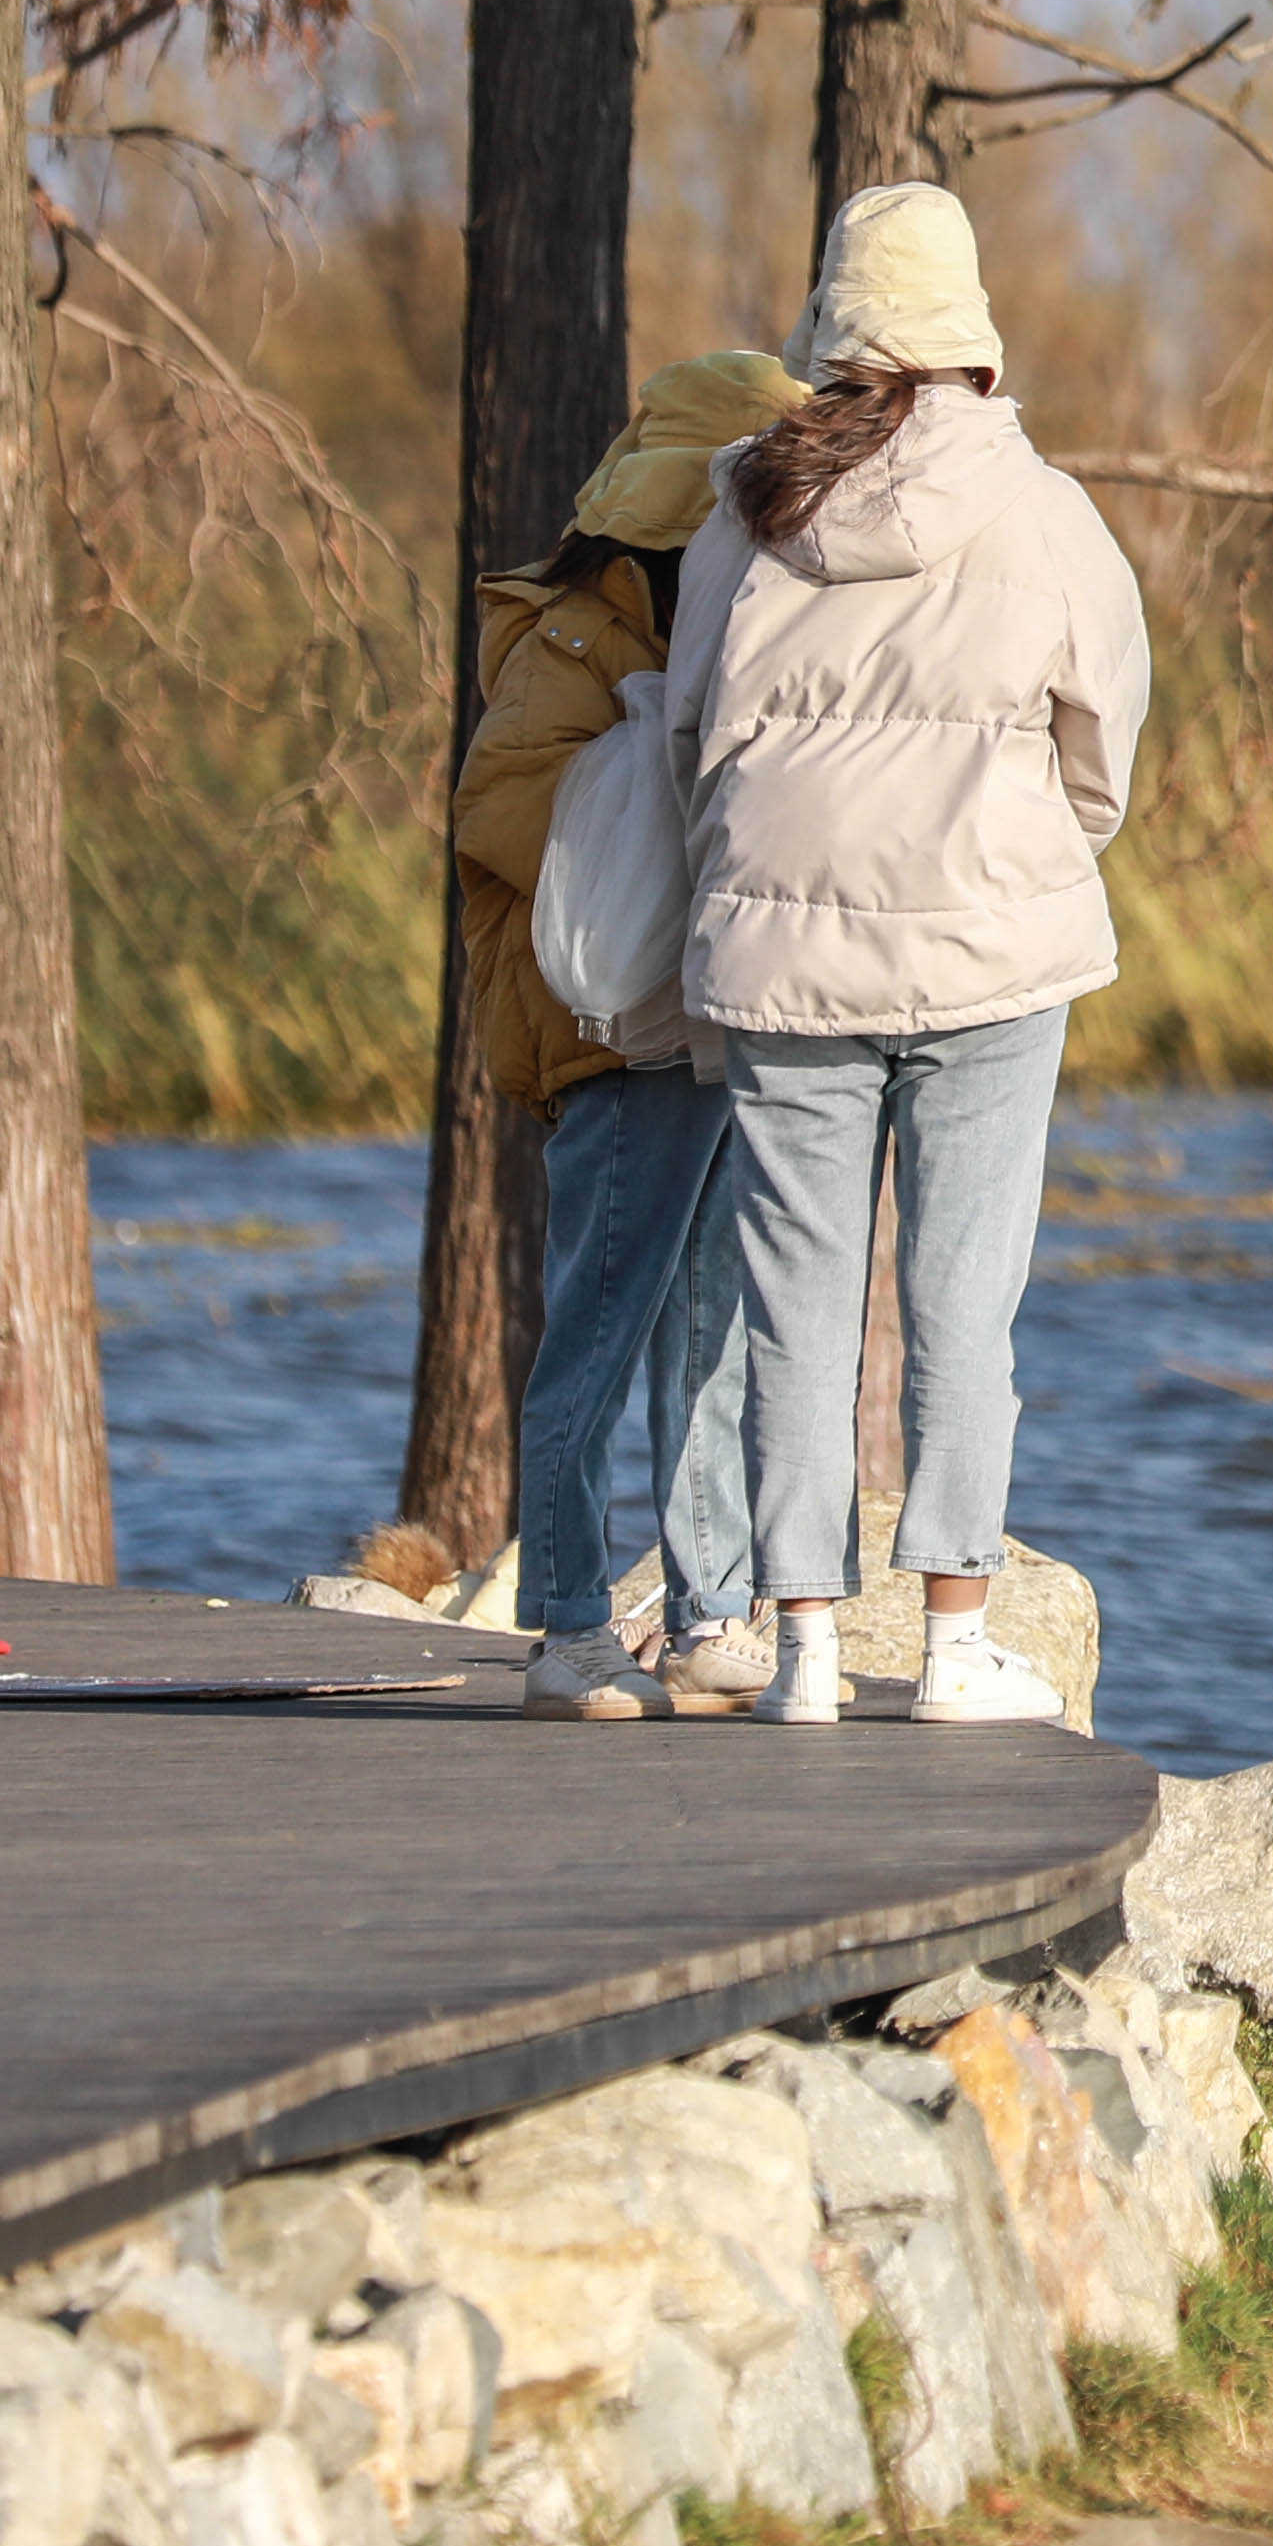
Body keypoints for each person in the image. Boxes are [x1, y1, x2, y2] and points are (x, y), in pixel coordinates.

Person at [668, 182, 1154, 1729]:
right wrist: (1036, 851)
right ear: (973, 339)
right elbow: (1105, 749)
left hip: (783, 952)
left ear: (835, 328)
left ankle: (803, 1645)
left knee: (793, 1302)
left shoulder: (744, 503)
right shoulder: (1047, 509)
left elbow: (690, 731)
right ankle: (952, 1643)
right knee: (963, 1300)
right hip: (990, 946)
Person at [445, 348, 803, 1715]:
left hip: (706, 1027)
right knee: (596, 1331)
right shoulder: (576, 639)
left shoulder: (692, 628)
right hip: (609, 1046)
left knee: (709, 1332)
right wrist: (643, 791)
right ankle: (567, 1624)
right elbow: (498, 809)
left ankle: (712, 1611)